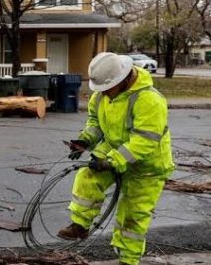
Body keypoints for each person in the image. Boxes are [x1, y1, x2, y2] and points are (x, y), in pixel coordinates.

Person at [58, 52, 174, 265]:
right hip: (114, 149)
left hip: (147, 166)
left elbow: (144, 141)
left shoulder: (149, 99)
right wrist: (84, 141)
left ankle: (128, 261)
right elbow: (95, 122)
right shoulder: (102, 94)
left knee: (132, 216)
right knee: (87, 176)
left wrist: (112, 161)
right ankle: (80, 225)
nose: (104, 93)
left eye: (107, 89)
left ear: (123, 79)